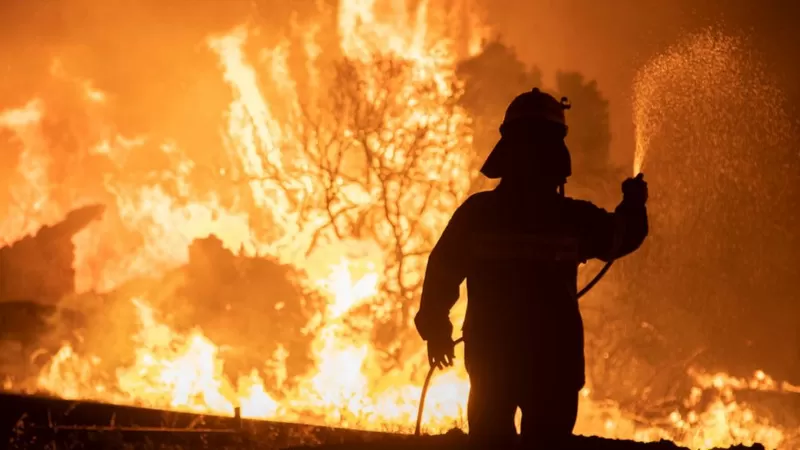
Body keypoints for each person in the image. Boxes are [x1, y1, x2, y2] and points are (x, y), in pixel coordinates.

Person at [414, 88, 649, 447]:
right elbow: (624, 235)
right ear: (559, 156)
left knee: (490, 443)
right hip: (553, 365)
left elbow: (441, 270)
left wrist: (437, 331)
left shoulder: (478, 215)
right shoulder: (572, 219)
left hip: (493, 358)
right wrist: (633, 202)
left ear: (506, 152)